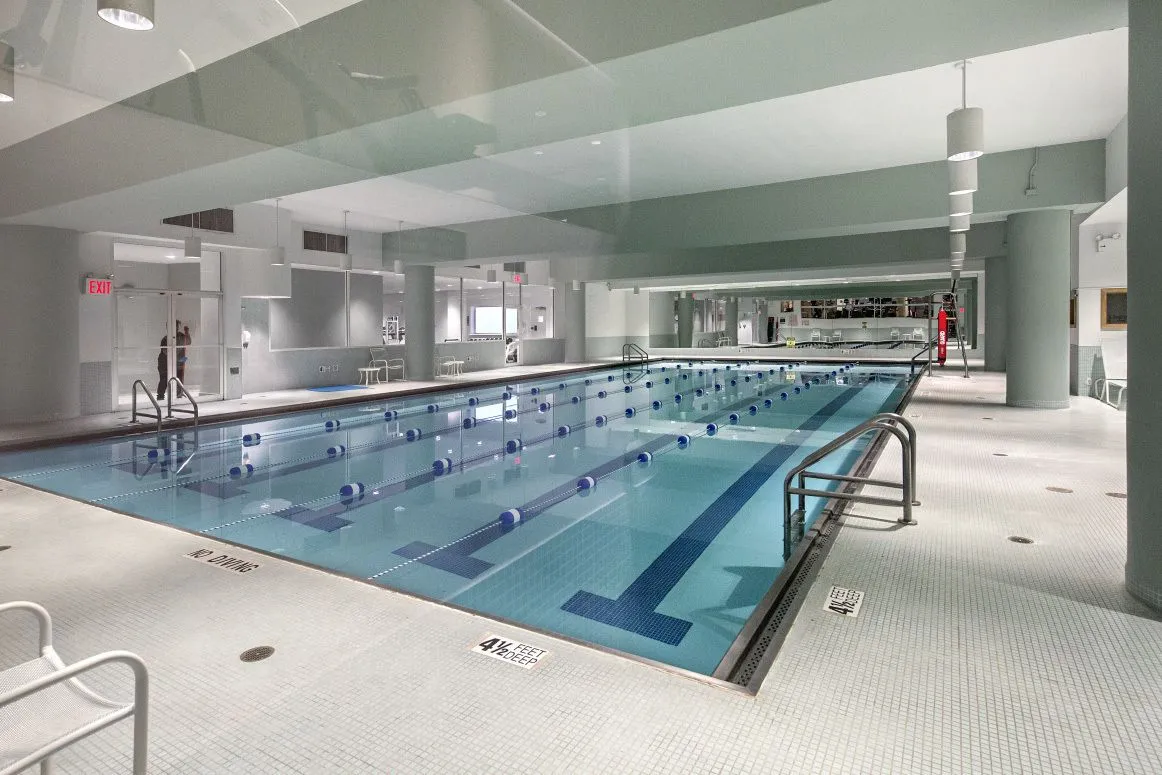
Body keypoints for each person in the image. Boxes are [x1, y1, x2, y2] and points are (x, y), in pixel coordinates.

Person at [157, 321, 192, 400]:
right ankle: (160, 396)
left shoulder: (181, 336)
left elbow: (188, 341)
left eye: (176, 326)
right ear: (167, 328)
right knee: (164, 380)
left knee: (179, 379)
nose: (175, 328)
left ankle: (179, 395)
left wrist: (187, 332)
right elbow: (167, 352)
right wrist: (181, 359)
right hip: (165, 364)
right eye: (172, 326)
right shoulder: (165, 339)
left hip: (178, 363)